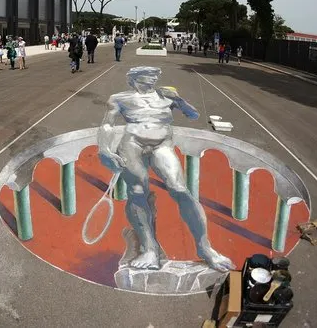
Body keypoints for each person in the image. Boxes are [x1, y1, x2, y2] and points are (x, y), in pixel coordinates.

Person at [98, 66, 234, 272]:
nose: (151, 82)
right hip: (132, 143)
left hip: (162, 144)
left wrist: (179, 100)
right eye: (146, 79)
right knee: (136, 192)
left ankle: (204, 247)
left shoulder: (166, 95)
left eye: (153, 79)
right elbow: (107, 124)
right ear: (133, 80)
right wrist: (104, 149)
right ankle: (149, 248)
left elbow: (193, 115)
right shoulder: (119, 98)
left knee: (180, 189)